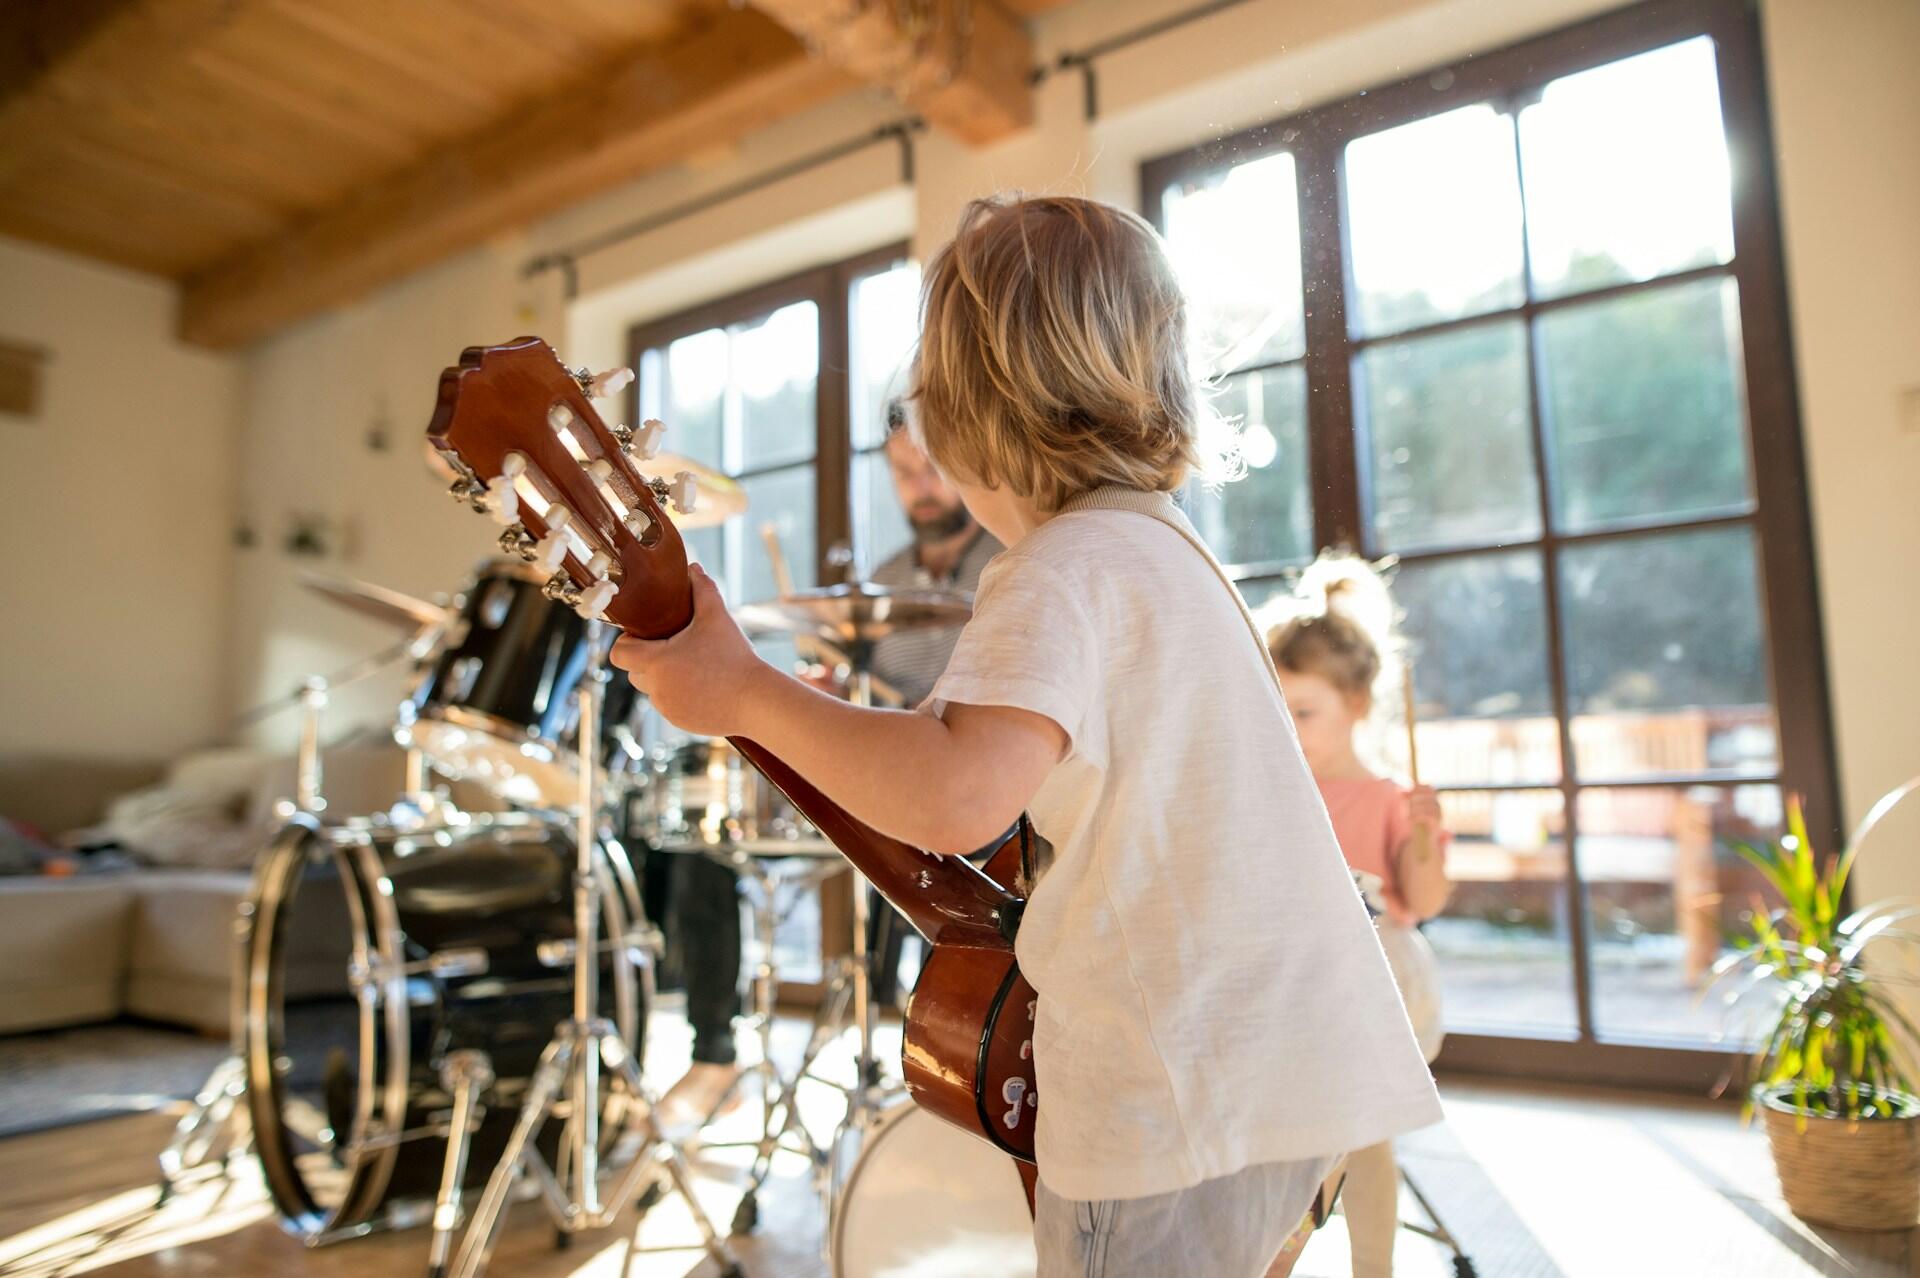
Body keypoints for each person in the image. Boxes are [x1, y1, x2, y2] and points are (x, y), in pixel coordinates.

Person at [613, 193, 1440, 1277]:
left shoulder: (1060, 567)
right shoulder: (1164, 552)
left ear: (961, 416)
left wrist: (750, 694)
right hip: (1285, 1070)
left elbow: (960, 796)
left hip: (1166, 1094)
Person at [652, 404, 1000, 1127]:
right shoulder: (885, 576)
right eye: (903, 470)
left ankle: (920, 1037)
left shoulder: (1005, 565)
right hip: (879, 770)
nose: (920, 485)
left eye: (931, 466)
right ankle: (716, 1052)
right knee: (705, 844)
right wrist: (827, 695)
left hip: (966, 785)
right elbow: (853, 690)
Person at [1266, 553, 1451, 1278]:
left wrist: (1426, 840)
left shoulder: (1387, 798)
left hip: (1373, 985)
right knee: (1288, 1144)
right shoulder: (1276, 794)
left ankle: (1374, 1268)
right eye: (1275, 709)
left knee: (1364, 1139)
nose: (1290, 727)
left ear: (1358, 707)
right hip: (1297, 985)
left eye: (1304, 712)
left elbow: (1425, 903)